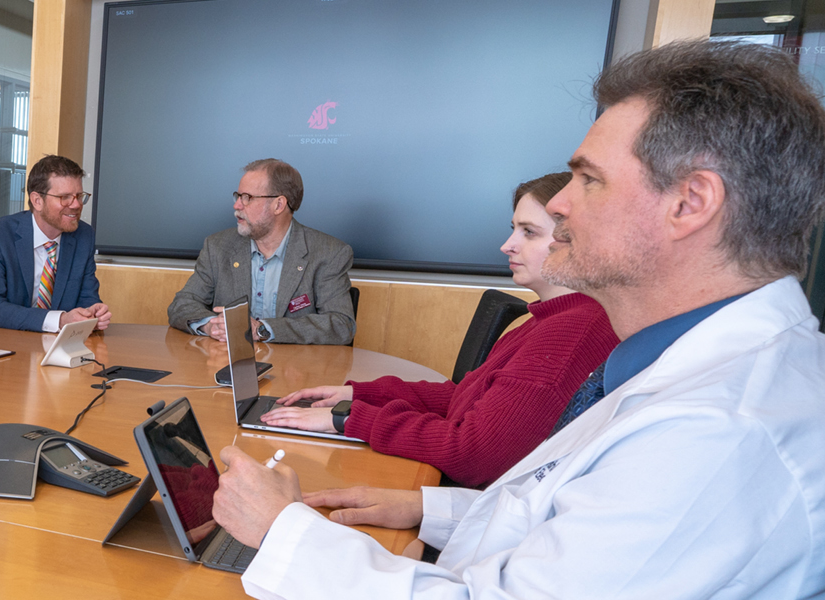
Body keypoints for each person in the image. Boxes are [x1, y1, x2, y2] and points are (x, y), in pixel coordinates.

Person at [210, 40, 825, 598]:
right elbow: (551, 514)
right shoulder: (681, 365)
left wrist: (284, 531)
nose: (560, 203)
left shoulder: (718, 436)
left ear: (690, 203)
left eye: (588, 179)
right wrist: (431, 510)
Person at [258, 172, 618, 488]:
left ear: (577, 238)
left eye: (529, 232)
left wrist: (347, 420)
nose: (507, 245)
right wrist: (356, 395)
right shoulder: (554, 318)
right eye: (513, 229)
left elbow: (471, 454)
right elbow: (464, 399)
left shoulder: (570, 334)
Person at [167, 159, 355, 344]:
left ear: (279, 205)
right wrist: (210, 326)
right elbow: (182, 305)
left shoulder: (329, 253)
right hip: (229, 365)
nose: (237, 205)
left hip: (297, 370)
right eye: (238, 196)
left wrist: (262, 330)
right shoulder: (217, 247)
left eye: (247, 198)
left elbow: (341, 324)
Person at [0, 155, 110, 332]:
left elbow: (88, 297)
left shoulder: (83, 236)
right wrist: (60, 320)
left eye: (79, 196)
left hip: (55, 344)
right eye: (65, 197)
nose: (76, 205)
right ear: (37, 201)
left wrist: (91, 314)